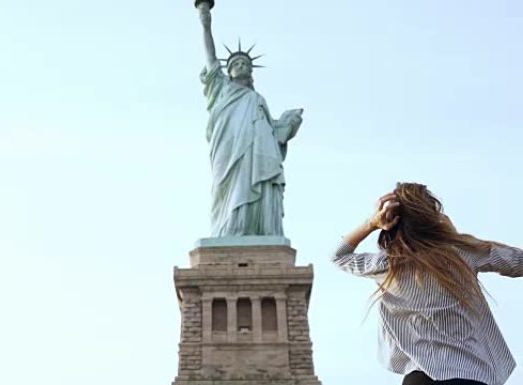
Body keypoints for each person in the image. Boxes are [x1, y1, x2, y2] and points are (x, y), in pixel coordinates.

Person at [332, 183, 523, 385]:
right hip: (467, 374)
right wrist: (455, 236)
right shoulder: (462, 253)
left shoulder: (387, 263)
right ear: (434, 220)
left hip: (418, 378)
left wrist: (371, 223)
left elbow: (338, 256)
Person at [196, 2, 303, 237]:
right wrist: (206, 24)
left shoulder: (257, 99)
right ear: (229, 70)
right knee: (227, 191)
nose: (241, 65)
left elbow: (273, 131)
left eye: (245, 63)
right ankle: (228, 230)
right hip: (228, 149)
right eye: (235, 64)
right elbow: (210, 58)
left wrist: (289, 124)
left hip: (259, 155)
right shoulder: (221, 88)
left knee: (259, 186)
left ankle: (257, 229)